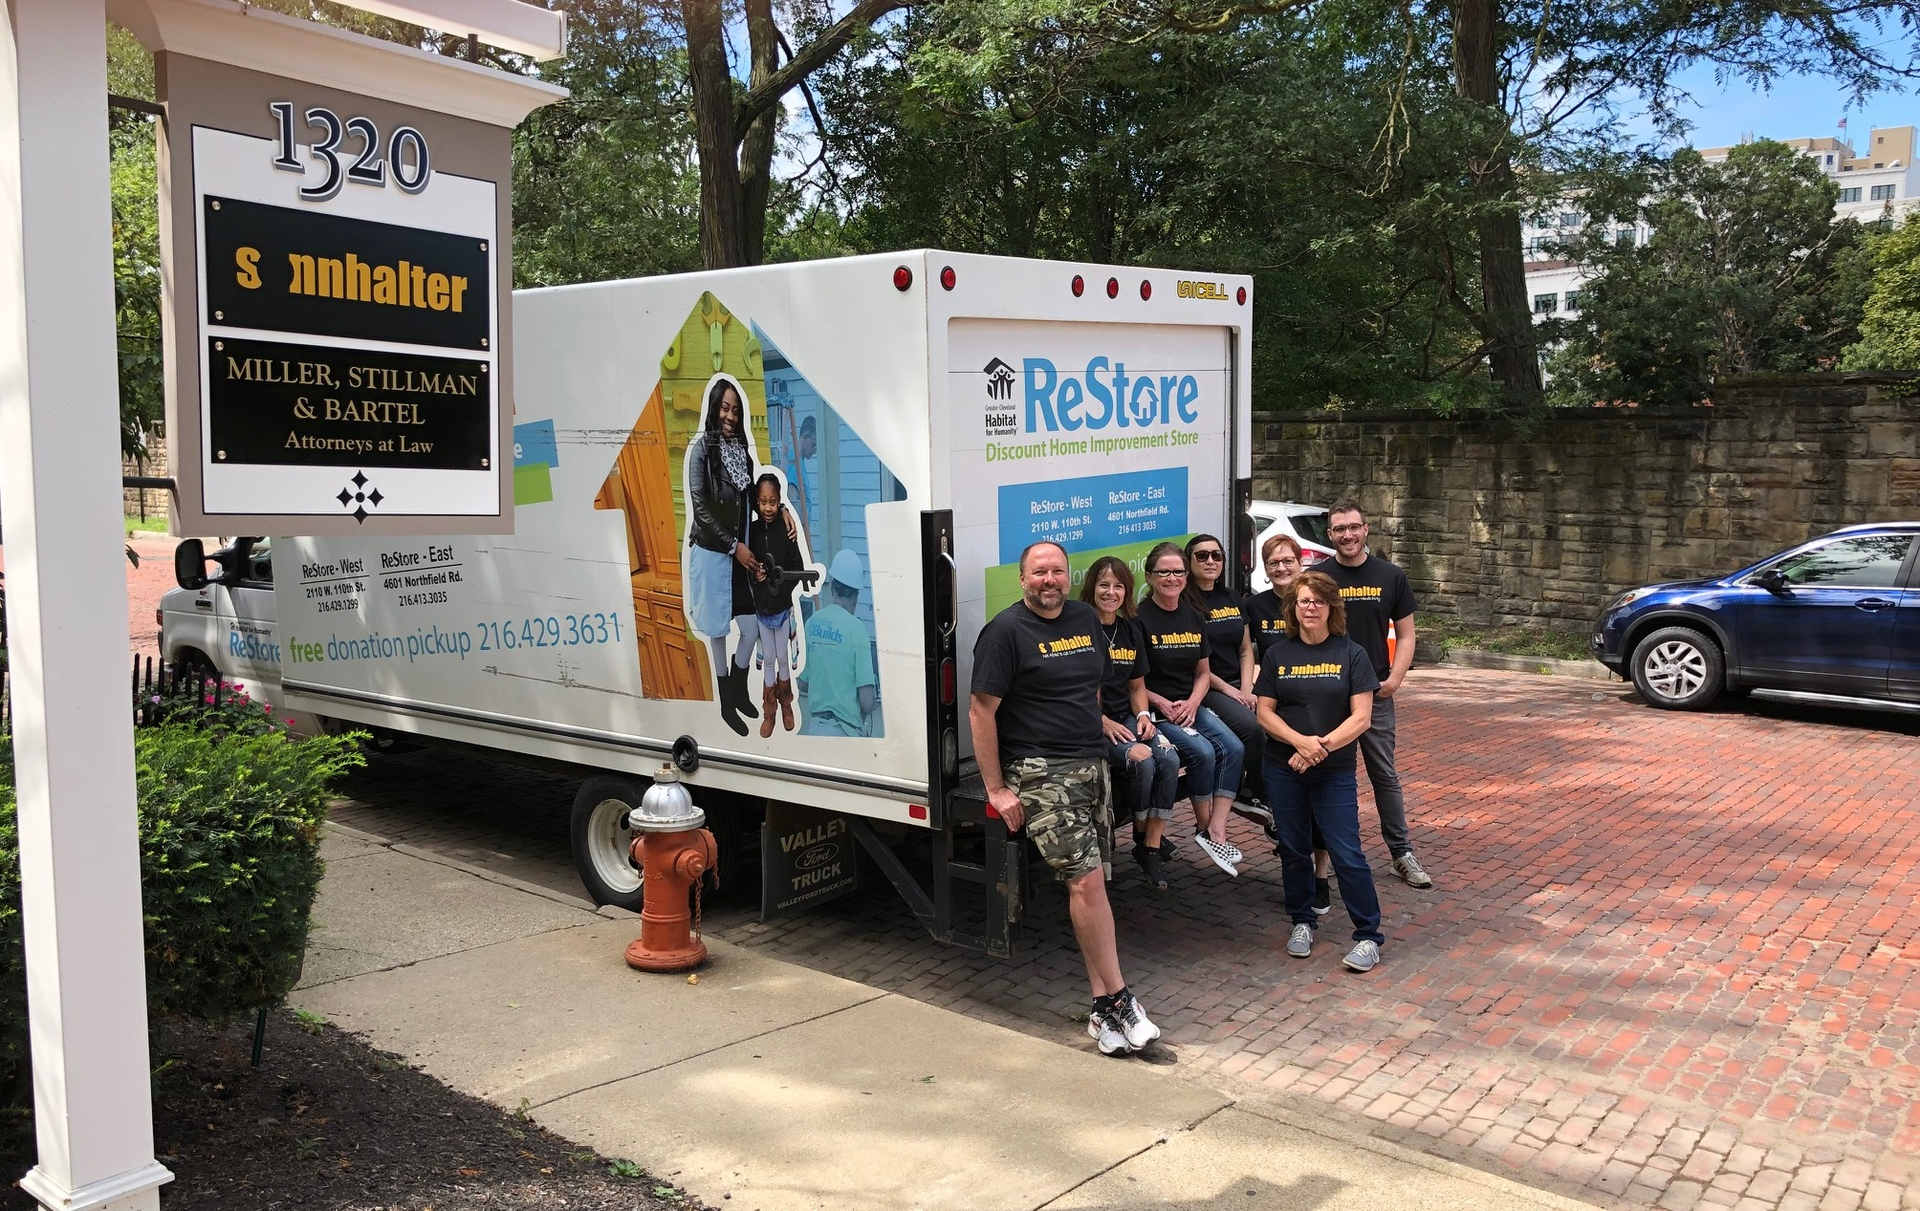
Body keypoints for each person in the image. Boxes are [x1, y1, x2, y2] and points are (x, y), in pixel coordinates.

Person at [971, 541, 1160, 1055]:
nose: (1048, 580)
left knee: (1095, 886)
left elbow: (1091, 688)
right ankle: (1122, 999)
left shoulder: (1083, 619)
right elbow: (981, 712)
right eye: (1038, 572)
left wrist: (1102, 732)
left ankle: (1100, 1013)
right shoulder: (1004, 633)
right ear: (1022, 578)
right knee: (1087, 882)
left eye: (1056, 570)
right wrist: (996, 787)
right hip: (1039, 770)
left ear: (1065, 575)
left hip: (1091, 764)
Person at [1254, 570, 1386, 973]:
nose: (1310, 607)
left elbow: (1361, 718)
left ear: (1332, 607)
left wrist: (1318, 748)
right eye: (1303, 601)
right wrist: (1299, 742)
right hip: (1283, 766)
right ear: (1293, 608)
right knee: (1294, 848)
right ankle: (1302, 920)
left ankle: (1368, 935)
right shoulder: (1278, 653)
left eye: (1317, 601)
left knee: (1346, 851)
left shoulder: (1351, 654)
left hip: (1333, 770)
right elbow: (1264, 712)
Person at [1323, 499, 1432, 889]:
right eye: (1339, 529)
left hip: (1377, 694)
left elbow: (1406, 634)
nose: (1347, 535)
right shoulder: (1319, 577)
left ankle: (1401, 852)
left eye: (1354, 527)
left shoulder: (1390, 575)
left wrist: (1396, 678)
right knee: (1333, 776)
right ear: (1330, 533)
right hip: (1329, 695)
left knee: (1383, 774)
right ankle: (1334, 852)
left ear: (1366, 529)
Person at [1136, 541, 1245, 877]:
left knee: (1234, 747)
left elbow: (1203, 672)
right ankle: (1204, 830)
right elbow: (1132, 680)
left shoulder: (1194, 616)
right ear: (1150, 577)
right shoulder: (1139, 619)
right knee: (1202, 752)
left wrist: (1195, 701)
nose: (1172, 578)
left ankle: (1215, 830)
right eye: (1164, 572)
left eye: (1178, 572)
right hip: (1158, 709)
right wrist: (1160, 702)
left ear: (1186, 577)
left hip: (1190, 703)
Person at [1244, 533, 1337, 916]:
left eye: (1287, 560)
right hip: (1275, 711)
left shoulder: (1313, 599)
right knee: (1288, 803)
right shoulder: (1254, 606)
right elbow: (1247, 652)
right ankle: (1295, 879)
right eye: (1272, 562)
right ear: (1264, 569)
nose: (1280, 567)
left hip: (1318, 714)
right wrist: (1250, 691)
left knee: (1321, 801)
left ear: (1301, 562)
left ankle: (1320, 875)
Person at [1079, 556, 1180, 891]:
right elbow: (1082, 688)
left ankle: (1150, 844)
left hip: (1125, 716)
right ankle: (1139, 831)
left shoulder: (1131, 629)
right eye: (1104, 585)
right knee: (1143, 760)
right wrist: (1102, 721)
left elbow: (1137, 686)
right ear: (1091, 587)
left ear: (1127, 591)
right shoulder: (1080, 627)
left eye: (1118, 586)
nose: (1111, 592)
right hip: (1089, 721)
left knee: (1169, 755)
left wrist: (1143, 717)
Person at [685, 377, 760, 735]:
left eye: (735, 409)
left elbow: (755, 497)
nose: (730, 415)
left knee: (751, 628)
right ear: (714, 408)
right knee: (717, 632)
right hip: (716, 554)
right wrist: (734, 546)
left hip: (738, 557)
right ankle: (727, 702)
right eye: (724, 407)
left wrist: (785, 513)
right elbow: (701, 510)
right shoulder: (702, 451)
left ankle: (738, 688)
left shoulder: (742, 451)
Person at [1184, 533, 1269, 830]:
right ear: (1189, 561)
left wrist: (1247, 688)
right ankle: (1253, 794)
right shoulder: (1185, 602)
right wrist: (1232, 691)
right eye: (1202, 556)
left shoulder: (1232, 597)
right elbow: (1197, 664)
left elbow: (1246, 649)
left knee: (1279, 724)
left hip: (1239, 683)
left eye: (1216, 556)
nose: (1210, 561)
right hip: (1208, 686)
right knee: (1254, 729)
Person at [742, 473, 809, 737]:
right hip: (761, 610)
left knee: (782, 658)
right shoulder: (753, 532)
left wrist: (781, 586)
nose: (768, 508)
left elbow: (797, 568)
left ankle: (786, 705)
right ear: (757, 503)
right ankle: (769, 711)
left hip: (781, 610)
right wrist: (756, 576)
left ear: (779, 501)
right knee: (768, 658)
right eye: (763, 502)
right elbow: (749, 568)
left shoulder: (787, 530)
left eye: (773, 502)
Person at [799, 550, 877, 737]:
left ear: (833, 586)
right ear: (856, 596)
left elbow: (802, 683)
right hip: (846, 735)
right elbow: (866, 701)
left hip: (815, 731)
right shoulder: (857, 630)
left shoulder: (811, 623)